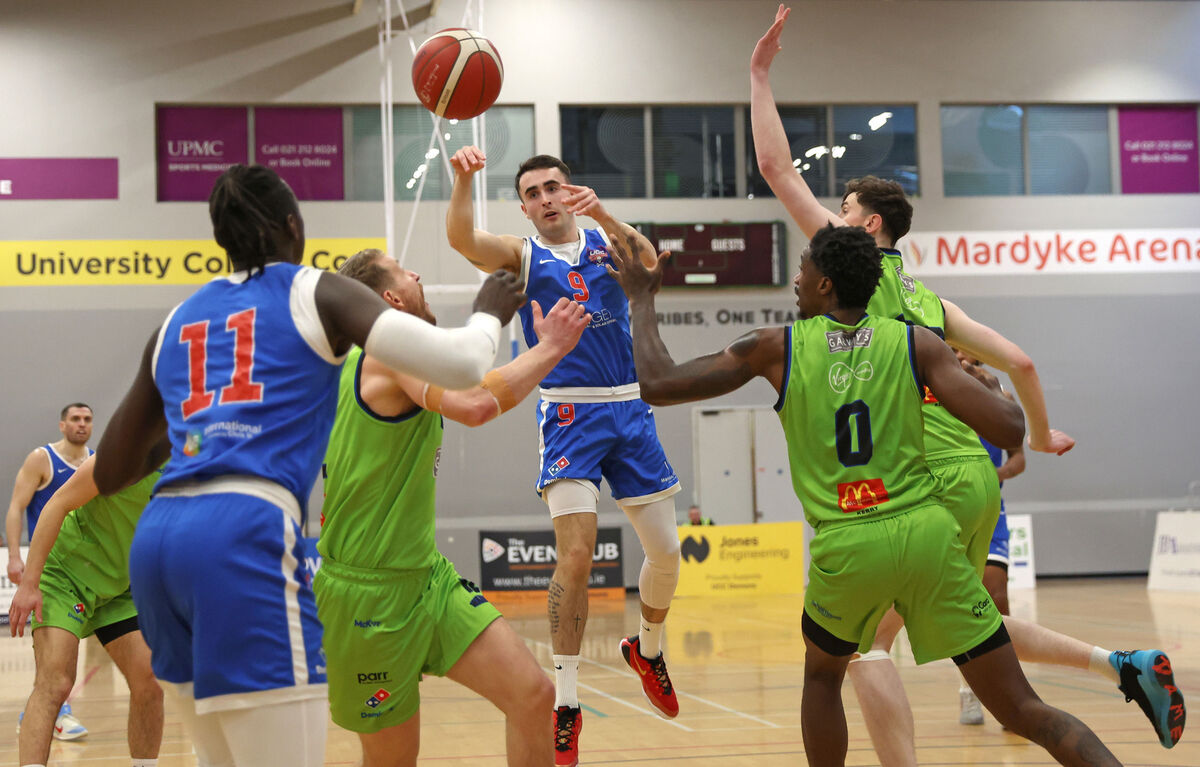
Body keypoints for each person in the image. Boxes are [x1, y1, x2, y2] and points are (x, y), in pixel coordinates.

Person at [750, 5, 1184, 757]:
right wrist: (1040, 437)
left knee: (865, 645)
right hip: (972, 477)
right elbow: (1023, 362)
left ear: (871, 227)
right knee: (956, 623)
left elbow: (775, 170)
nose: (834, 218)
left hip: (927, 481)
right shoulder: (929, 300)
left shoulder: (860, 279)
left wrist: (758, 77)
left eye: (846, 207)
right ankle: (1120, 664)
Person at [608, 222, 1125, 767]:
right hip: (927, 537)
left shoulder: (774, 347)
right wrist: (992, 390)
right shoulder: (914, 342)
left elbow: (658, 383)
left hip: (850, 544)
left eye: (804, 267)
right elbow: (1007, 432)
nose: (796, 278)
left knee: (823, 675)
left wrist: (642, 300)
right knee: (1022, 707)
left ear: (826, 283)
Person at [90, 164, 526, 767]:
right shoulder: (312, 289)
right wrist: (489, 310)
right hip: (242, 530)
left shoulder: (179, 319)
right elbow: (464, 364)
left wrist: (206, 428)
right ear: (294, 225)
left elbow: (113, 471)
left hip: (159, 542)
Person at [446, 148, 683, 766]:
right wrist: (464, 180)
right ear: (523, 206)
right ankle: (568, 702)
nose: (547, 198)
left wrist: (602, 212)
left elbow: (651, 263)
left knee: (667, 554)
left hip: (629, 407)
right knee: (575, 555)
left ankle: (648, 650)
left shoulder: (607, 240)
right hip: (569, 412)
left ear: (569, 190)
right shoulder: (523, 256)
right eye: (533, 192)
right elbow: (462, 237)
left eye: (554, 187)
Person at [317, 248, 589, 767]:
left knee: (534, 697)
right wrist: (551, 347)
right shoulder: (385, 355)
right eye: (406, 270)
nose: (419, 273)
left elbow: (476, 385)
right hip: (365, 597)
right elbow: (476, 404)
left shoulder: (392, 358)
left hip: (425, 579)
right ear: (391, 298)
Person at [9, 449, 167, 767]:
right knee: (56, 683)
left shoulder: (198, 463)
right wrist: (29, 583)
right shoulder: (124, 455)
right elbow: (57, 503)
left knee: (149, 679)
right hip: (65, 575)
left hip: (120, 586)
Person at [6, 402, 95, 741]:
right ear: (62, 425)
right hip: (50, 567)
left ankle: (39, 712)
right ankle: (56, 712)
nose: (81, 424)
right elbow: (16, 508)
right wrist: (15, 556)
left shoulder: (96, 460)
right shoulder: (41, 459)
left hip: (89, 568)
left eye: (87, 419)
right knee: (53, 647)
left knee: (72, 651)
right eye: (75, 418)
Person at [956, 353, 1025, 724]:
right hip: (946, 508)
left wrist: (995, 473)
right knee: (955, 607)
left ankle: (1009, 690)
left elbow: (1019, 458)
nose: (964, 357)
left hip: (989, 508)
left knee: (997, 597)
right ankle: (969, 688)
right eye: (956, 351)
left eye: (970, 352)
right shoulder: (937, 391)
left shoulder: (1002, 396)